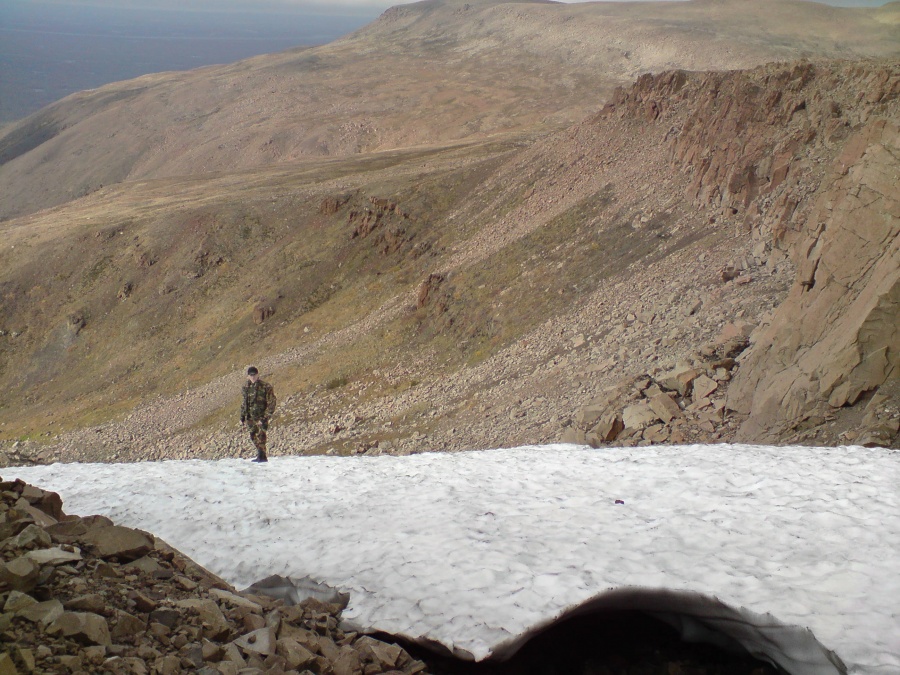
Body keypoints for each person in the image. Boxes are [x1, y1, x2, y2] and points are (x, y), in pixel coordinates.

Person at [240, 366, 276, 463]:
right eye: (251, 375)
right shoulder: (246, 388)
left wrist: (266, 416)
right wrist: (242, 416)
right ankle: (261, 454)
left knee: (261, 435)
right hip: (250, 417)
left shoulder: (265, 387)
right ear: (248, 376)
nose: (253, 377)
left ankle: (262, 456)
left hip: (261, 416)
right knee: (253, 435)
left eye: (254, 375)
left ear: (258, 375)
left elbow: (272, 402)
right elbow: (244, 402)